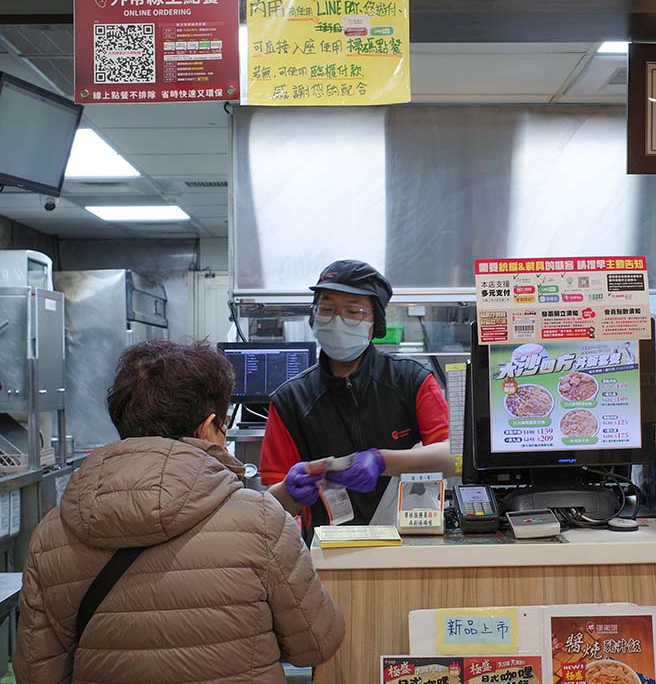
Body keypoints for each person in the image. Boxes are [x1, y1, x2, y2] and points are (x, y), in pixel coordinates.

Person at [15, 340, 344, 684]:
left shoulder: (52, 535)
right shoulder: (261, 520)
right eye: (224, 423)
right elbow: (316, 643)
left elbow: (37, 672)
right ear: (209, 427)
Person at [262, 260, 453, 532]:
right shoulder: (291, 399)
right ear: (314, 316)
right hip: (328, 548)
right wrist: (289, 490)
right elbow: (272, 506)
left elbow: (453, 457)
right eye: (326, 309)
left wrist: (383, 461)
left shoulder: (411, 380)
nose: (337, 320)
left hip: (409, 541)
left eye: (353, 311)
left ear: (375, 323)